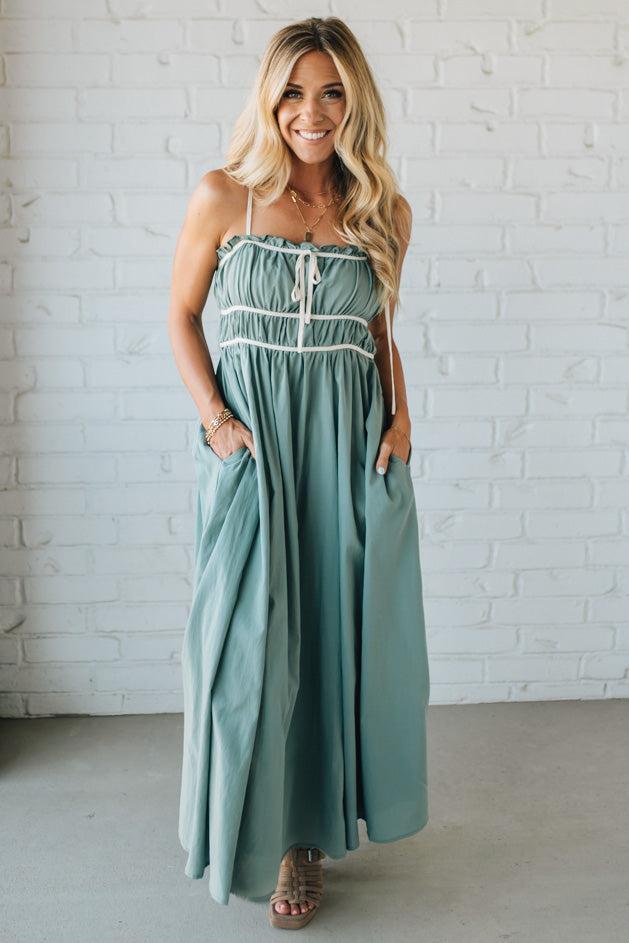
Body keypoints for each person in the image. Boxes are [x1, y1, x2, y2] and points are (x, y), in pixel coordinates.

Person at [168, 15, 430, 930]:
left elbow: (378, 333)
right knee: (246, 647)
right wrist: (216, 423)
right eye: (291, 91)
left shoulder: (382, 213)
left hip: (348, 447)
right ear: (267, 98)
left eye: (329, 92)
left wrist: (400, 415)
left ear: (353, 100)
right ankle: (250, 824)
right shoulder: (223, 197)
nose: (309, 112)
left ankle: (303, 838)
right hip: (255, 451)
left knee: (329, 638)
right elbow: (180, 316)